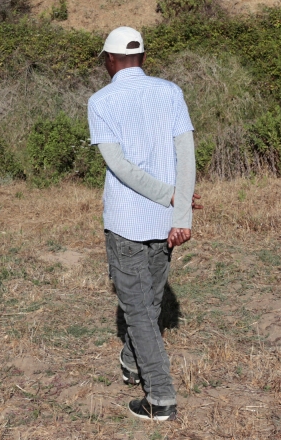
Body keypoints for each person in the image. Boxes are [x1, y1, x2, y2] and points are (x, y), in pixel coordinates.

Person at [88, 26, 202, 422]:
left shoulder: (100, 101)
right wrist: (179, 208)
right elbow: (186, 153)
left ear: (110, 60)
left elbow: (118, 165)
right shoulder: (170, 92)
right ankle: (132, 363)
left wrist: (170, 197)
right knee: (150, 302)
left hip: (126, 222)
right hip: (165, 221)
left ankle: (160, 398)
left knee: (137, 310)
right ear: (142, 57)